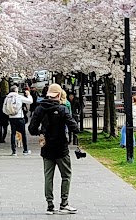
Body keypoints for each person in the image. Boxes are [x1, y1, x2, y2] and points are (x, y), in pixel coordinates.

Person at [29, 83, 79, 215]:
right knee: (66, 175)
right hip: (61, 147)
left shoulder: (40, 109)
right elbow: (73, 126)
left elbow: (31, 128)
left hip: (46, 147)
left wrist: (41, 132)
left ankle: (50, 205)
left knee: (48, 176)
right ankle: (64, 203)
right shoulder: (62, 109)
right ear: (58, 95)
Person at [3, 85, 32, 156]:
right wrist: (29, 95)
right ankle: (25, 150)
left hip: (11, 118)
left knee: (13, 134)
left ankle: (14, 151)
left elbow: (4, 109)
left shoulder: (7, 98)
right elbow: (30, 101)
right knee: (23, 134)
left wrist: (9, 114)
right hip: (19, 117)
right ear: (16, 90)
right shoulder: (18, 97)